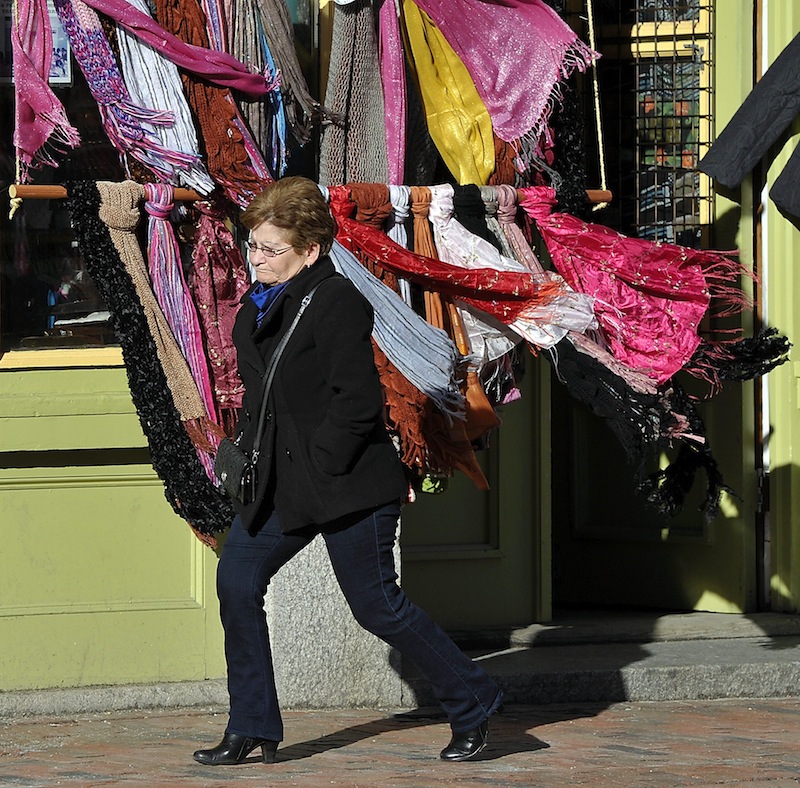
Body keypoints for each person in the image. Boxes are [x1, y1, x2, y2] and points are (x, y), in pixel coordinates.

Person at [193, 176, 502, 767]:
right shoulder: (259, 308)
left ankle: (474, 697)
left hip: (347, 484)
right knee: (237, 582)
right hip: (280, 486)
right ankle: (251, 724)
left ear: (309, 250)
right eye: (252, 246)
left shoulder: (334, 301)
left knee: (376, 606)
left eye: (270, 248)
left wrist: (321, 465)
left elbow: (357, 403)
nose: (256, 258)